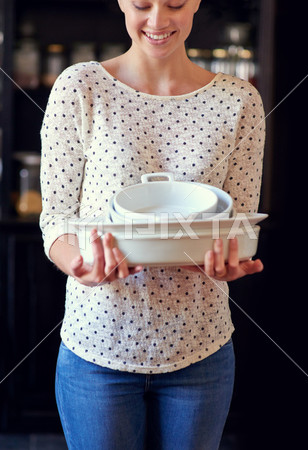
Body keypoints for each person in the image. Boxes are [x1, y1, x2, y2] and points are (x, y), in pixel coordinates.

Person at [40, 0, 265, 448]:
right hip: (98, 350)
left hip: (200, 350)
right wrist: (78, 264)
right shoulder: (80, 87)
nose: (158, 21)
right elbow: (57, 219)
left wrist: (229, 261)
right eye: (142, 4)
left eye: (175, 4)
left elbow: (237, 224)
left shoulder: (240, 101)